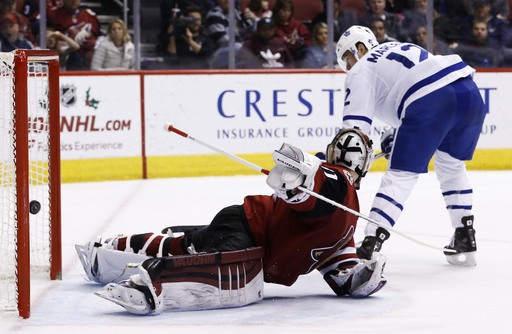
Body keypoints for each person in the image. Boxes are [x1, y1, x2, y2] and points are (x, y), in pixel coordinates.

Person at [75, 129, 387, 315]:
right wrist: (304, 175)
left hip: (240, 220)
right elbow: (323, 182)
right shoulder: (342, 184)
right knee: (234, 276)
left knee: (181, 245)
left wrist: (360, 276)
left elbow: (339, 268)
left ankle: (115, 245)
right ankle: (150, 285)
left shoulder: (345, 231)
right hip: (247, 228)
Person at [335, 25, 486, 266]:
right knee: (451, 166)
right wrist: (394, 135)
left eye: (348, 58)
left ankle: (370, 244)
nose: (349, 67)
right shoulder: (394, 48)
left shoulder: (361, 69)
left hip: (430, 101)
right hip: (468, 92)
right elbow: (407, 94)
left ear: (360, 48)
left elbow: (352, 135)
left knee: (399, 176)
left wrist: (338, 169)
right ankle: (465, 234)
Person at [47, 0, 102, 70]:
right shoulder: (54, 14)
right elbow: (49, 36)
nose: (73, 1)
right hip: (67, 54)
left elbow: (99, 36)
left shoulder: (89, 14)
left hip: (89, 54)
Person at [162, 5, 216, 69]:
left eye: (198, 20)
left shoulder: (207, 40)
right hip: (178, 70)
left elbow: (206, 55)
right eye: (192, 20)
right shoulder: (178, 39)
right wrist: (172, 35)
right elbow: (170, 57)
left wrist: (190, 41)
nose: (196, 22)